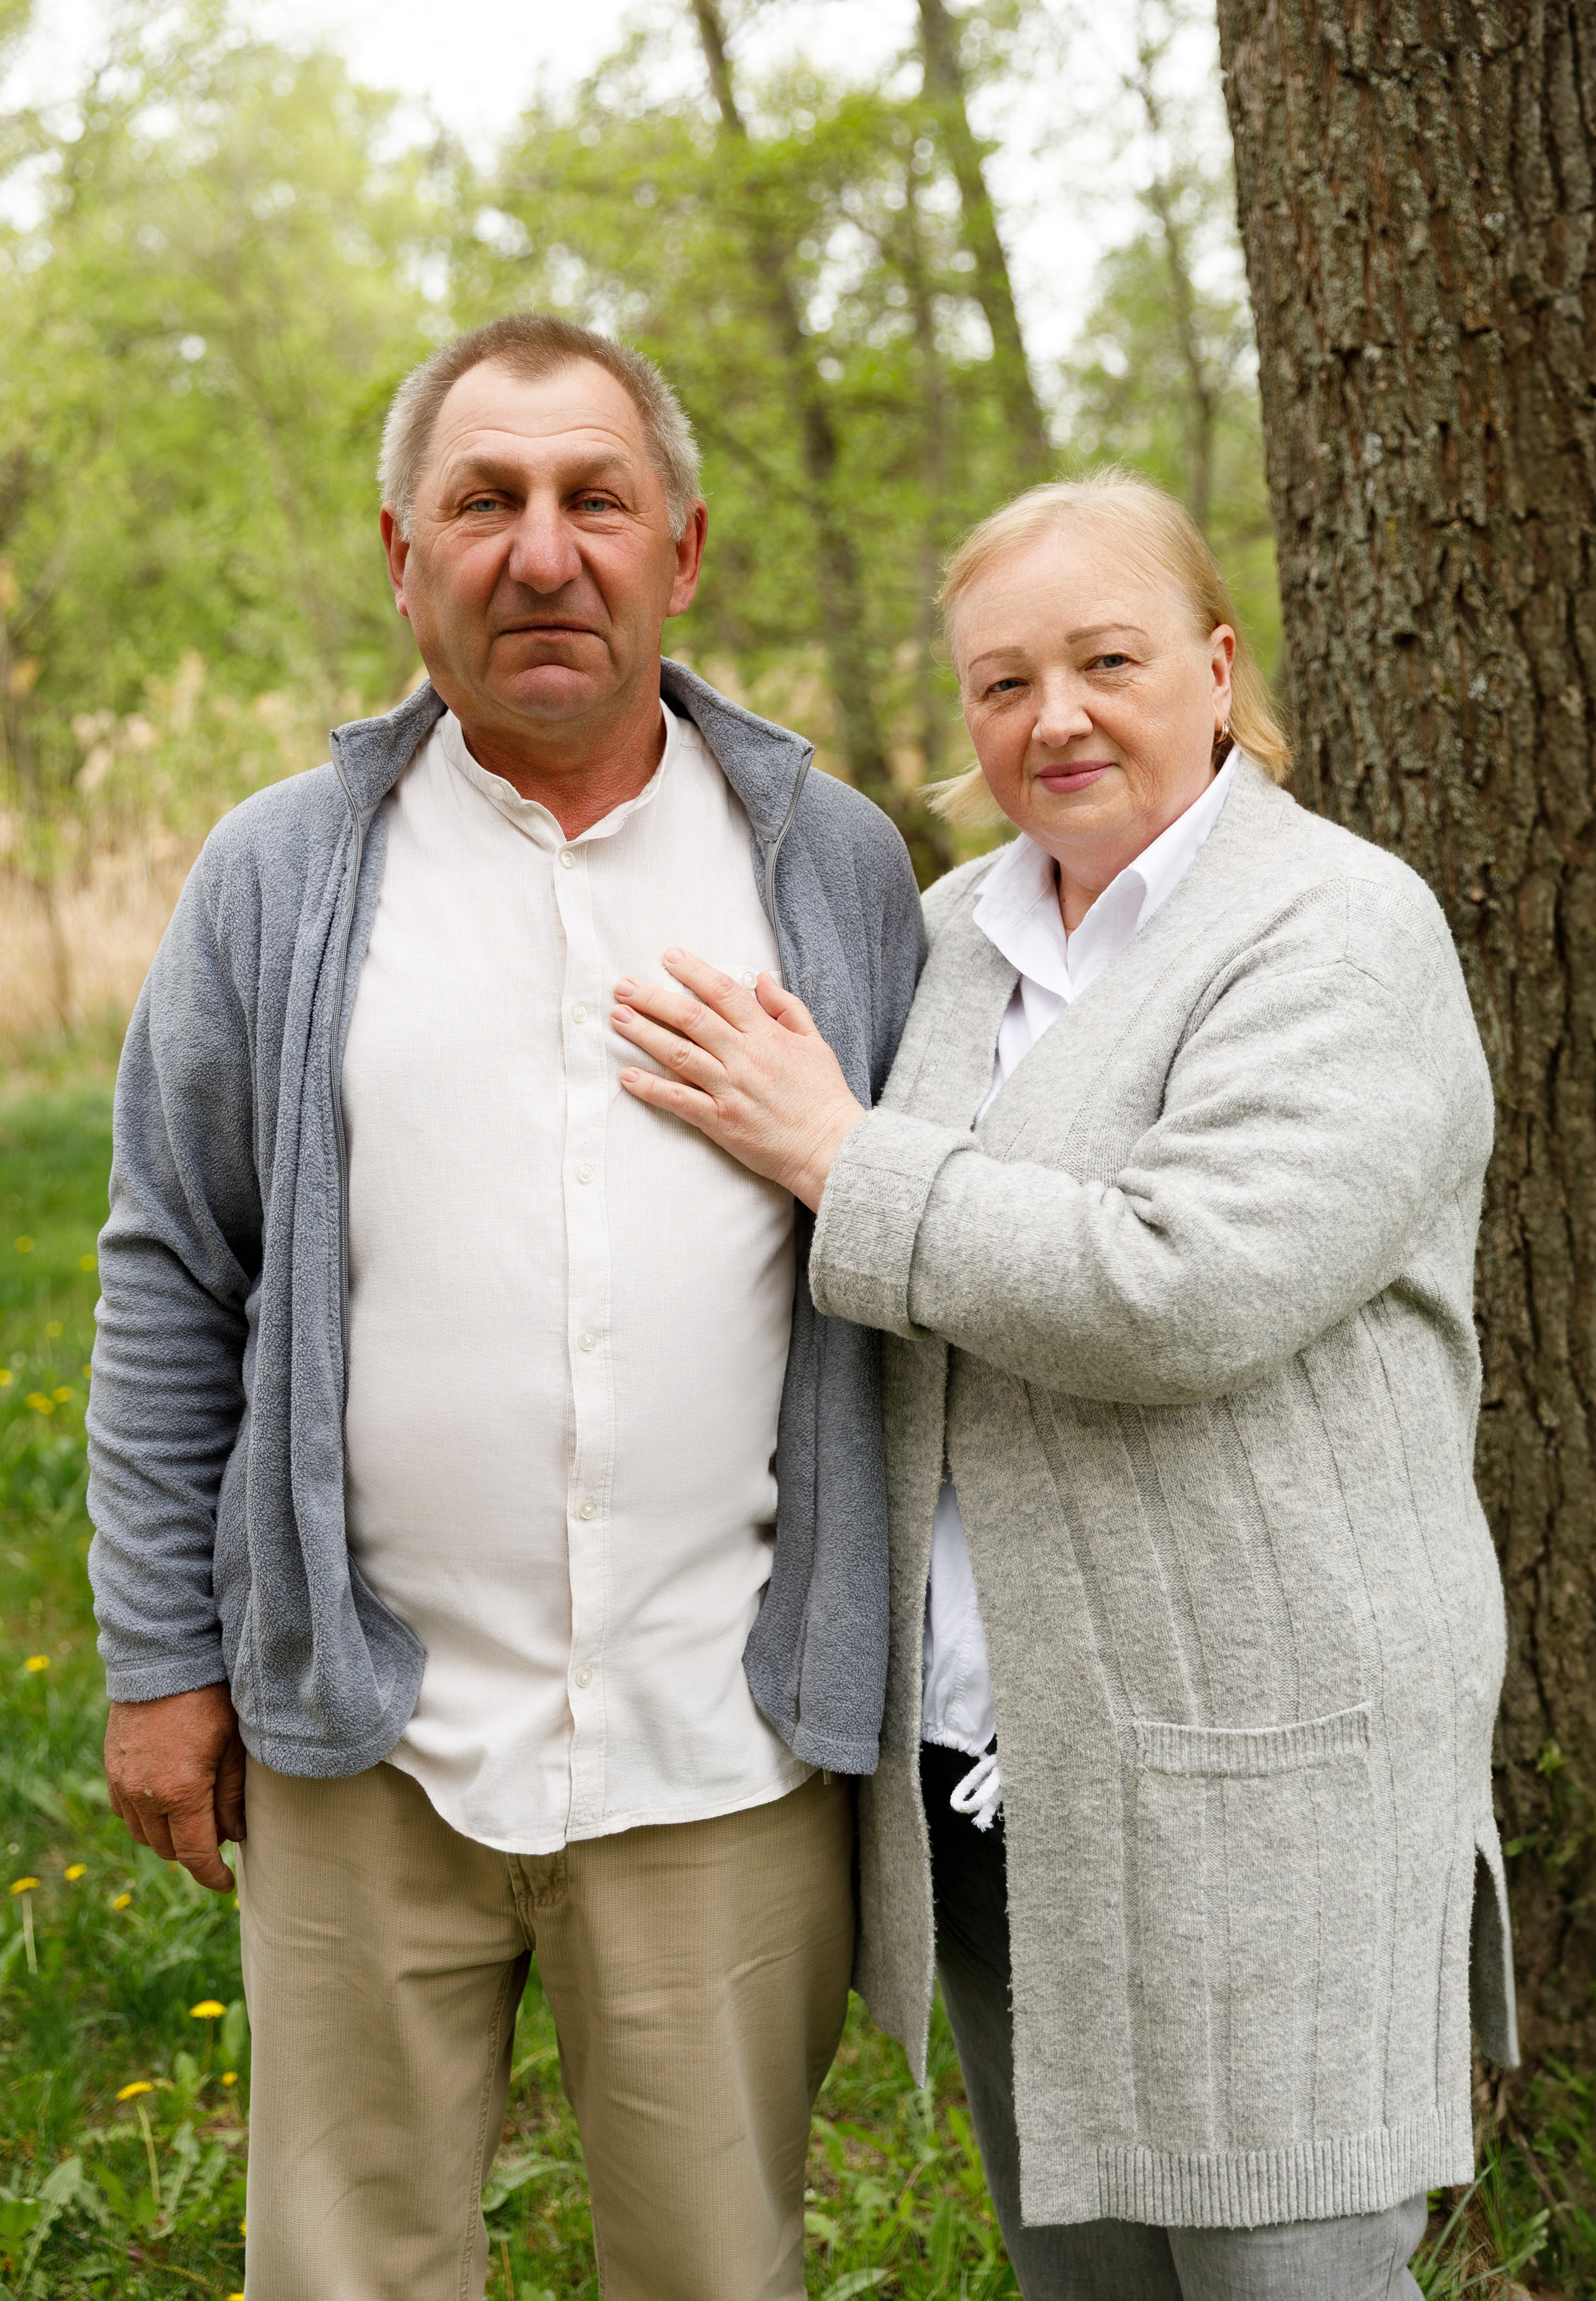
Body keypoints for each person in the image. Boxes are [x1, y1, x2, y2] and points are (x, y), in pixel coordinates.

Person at [85, 312, 925, 2301]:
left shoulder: (840, 873)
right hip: (364, 1739)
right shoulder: (284, 875)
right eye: (486, 501)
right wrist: (159, 1661)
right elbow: (169, 1265)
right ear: (404, 557)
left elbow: (926, 1245)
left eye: (592, 500)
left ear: (683, 550)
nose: (542, 551)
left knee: (720, 2274)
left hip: (719, 1742)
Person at [608, 469, 1519, 2301]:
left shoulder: (1339, 931)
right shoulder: (953, 938)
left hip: (1269, 1767)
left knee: (1288, 2275)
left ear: (1216, 662)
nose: (1057, 718)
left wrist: (836, 1154)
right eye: (1004, 682)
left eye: (1107, 659)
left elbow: (1177, 1288)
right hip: (995, 1764)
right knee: (1086, 2270)